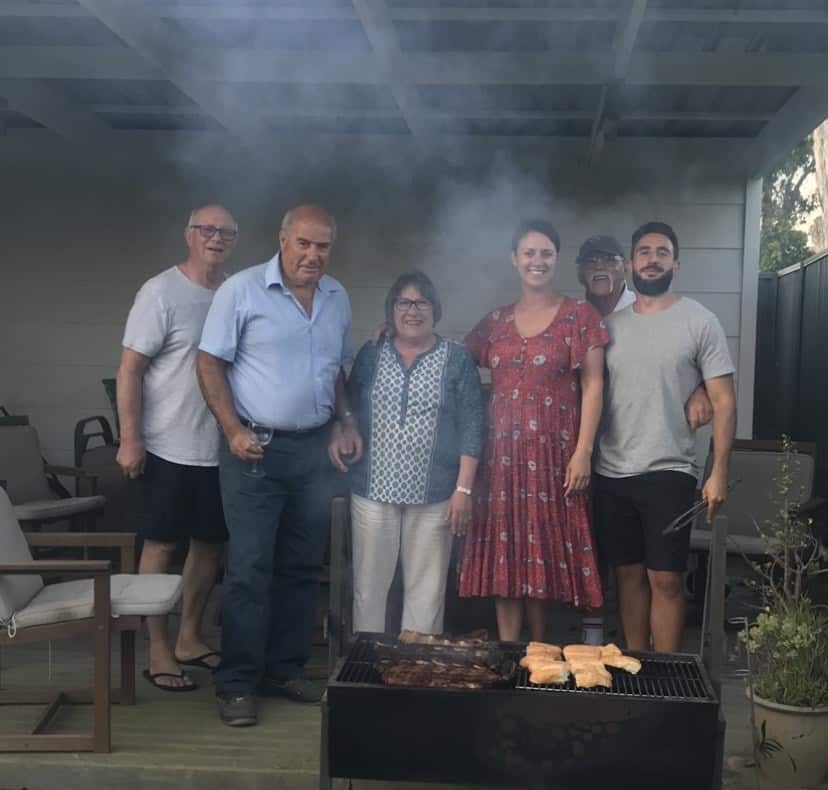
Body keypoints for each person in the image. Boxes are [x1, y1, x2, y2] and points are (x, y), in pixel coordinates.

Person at [197, 204, 361, 727]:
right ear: (283, 240)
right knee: (249, 570)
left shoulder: (337, 296)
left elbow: (337, 367)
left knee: (300, 567)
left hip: (314, 450)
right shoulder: (241, 290)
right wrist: (232, 429)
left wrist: (345, 419)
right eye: (305, 243)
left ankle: (284, 669)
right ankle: (238, 683)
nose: (314, 255)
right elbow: (208, 362)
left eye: (324, 246)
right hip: (255, 452)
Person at [459, 219, 608, 642]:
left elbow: (594, 383)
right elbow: (455, 362)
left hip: (553, 457)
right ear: (514, 260)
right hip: (500, 460)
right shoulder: (496, 322)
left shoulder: (580, 316)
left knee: (541, 553)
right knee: (507, 553)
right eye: (529, 253)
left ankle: (538, 652)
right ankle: (509, 651)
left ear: (556, 259)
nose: (537, 261)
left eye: (545, 253)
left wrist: (584, 451)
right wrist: (393, 333)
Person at [593, 221, 736, 653]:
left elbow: (724, 400)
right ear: (631, 264)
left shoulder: (699, 321)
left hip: (671, 469)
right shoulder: (609, 327)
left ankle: (668, 675)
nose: (652, 259)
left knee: (667, 579)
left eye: (661, 251)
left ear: (676, 262)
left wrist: (719, 473)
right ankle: (639, 667)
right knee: (628, 576)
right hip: (611, 472)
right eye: (643, 251)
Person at [116, 204, 238, 691]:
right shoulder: (160, 291)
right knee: (161, 545)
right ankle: (159, 649)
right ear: (189, 234)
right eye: (207, 229)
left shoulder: (233, 293)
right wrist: (130, 437)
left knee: (210, 545)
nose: (216, 238)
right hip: (166, 446)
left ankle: (189, 637)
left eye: (226, 232)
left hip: (220, 446)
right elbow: (130, 369)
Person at [345, 271, 484, 636]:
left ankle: (415, 674)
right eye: (403, 303)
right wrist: (343, 428)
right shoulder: (372, 353)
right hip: (372, 492)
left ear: (435, 309)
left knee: (427, 591)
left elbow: (472, 425)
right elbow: (349, 403)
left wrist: (463, 490)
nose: (412, 311)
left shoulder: (457, 358)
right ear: (391, 310)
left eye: (421, 302)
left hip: (436, 495)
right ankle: (367, 670)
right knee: (368, 589)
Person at [575, 233, 713, 430]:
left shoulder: (649, 308)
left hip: (649, 438)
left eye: (609, 260)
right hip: (587, 433)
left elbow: (688, 354)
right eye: (590, 261)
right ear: (580, 273)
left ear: (625, 267)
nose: (599, 266)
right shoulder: (573, 319)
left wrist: (701, 389)